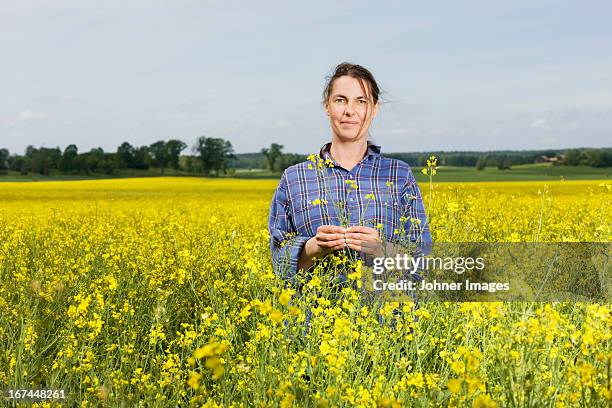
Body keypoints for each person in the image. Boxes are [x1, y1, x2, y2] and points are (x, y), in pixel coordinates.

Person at [268, 62, 431, 288]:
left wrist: (381, 250)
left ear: (374, 108)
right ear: (327, 106)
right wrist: (313, 248)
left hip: (385, 320)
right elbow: (278, 264)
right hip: (312, 321)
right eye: (340, 100)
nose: (349, 110)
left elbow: (423, 263)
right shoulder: (294, 178)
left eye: (361, 101)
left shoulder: (399, 175)